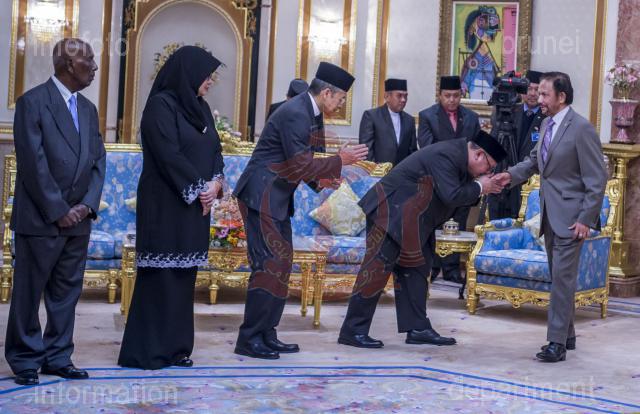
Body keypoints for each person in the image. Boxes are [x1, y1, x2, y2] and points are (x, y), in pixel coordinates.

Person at [233, 62, 369, 359]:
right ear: (327, 93)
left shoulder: (310, 114)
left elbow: (300, 162)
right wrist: (340, 160)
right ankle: (249, 338)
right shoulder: (297, 112)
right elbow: (300, 163)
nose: (341, 104)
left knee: (281, 265)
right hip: (261, 196)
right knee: (269, 266)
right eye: (341, 98)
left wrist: (322, 181)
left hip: (276, 198)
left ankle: (267, 333)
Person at [338, 131, 507, 348]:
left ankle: (418, 328)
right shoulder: (446, 155)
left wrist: (483, 186)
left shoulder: (459, 156)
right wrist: (481, 186)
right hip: (390, 214)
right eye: (489, 167)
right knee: (375, 273)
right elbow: (452, 195)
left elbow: (457, 193)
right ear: (479, 155)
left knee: (416, 271)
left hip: (414, 220)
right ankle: (352, 331)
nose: (487, 172)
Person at [5, 38, 105, 385]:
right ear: (67, 64)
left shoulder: (89, 109)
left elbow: (98, 161)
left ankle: (58, 356)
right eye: (88, 60)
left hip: (78, 220)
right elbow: (33, 164)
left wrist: (87, 205)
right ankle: (25, 359)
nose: (94, 66)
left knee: (66, 294)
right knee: (29, 294)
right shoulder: (32, 102)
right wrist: (59, 210)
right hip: (41, 219)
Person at [118, 46, 225, 369]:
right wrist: (200, 188)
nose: (210, 81)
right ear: (188, 73)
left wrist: (216, 183)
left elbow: (216, 150)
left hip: (194, 207)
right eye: (206, 75)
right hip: (165, 205)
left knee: (183, 277)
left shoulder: (201, 108)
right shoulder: (160, 106)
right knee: (161, 277)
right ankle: (149, 351)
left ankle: (177, 348)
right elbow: (168, 155)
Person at [493, 72, 607, 362]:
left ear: (561, 97)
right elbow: (534, 161)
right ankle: (567, 335)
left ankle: (555, 344)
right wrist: (509, 176)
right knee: (560, 279)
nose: (538, 99)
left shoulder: (581, 129)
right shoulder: (547, 124)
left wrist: (585, 219)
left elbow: (597, 179)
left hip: (571, 220)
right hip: (548, 216)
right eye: (539, 93)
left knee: (562, 281)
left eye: (544, 94)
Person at [418, 75, 481, 284]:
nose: (452, 100)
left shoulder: (471, 117)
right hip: (436, 181)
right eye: (447, 96)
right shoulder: (427, 116)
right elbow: (427, 149)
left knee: (458, 223)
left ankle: (452, 269)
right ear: (440, 95)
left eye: (456, 95)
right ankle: (432, 266)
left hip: (463, 180)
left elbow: (476, 148)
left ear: (461, 95)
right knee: (434, 223)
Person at [488, 70, 547, 219]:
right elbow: (493, 143)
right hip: (502, 176)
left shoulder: (546, 118)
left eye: (537, 90)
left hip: (529, 184)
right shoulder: (509, 112)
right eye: (529, 88)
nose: (532, 93)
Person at [359, 78, 417, 166]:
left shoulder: (409, 120)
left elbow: (412, 151)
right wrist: (375, 171)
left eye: (405, 96)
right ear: (387, 96)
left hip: (401, 172)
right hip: (377, 172)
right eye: (399, 96)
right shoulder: (371, 116)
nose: (403, 100)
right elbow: (366, 150)